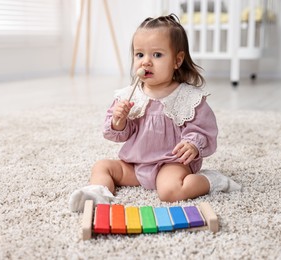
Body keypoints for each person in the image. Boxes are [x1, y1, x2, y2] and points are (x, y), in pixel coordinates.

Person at [69, 14, 241, 212]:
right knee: (102, 166)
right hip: (135, 164)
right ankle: (98, 193)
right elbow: (118, 134)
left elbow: (205, 128)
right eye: (139, 54)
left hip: (170, 162)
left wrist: (193, 143)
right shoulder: (129, 95)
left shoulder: (187, 97)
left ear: (177, 60)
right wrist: (119, 120)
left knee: (169, 192)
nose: (146, 62)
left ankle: (211, 181)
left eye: (157, 55)